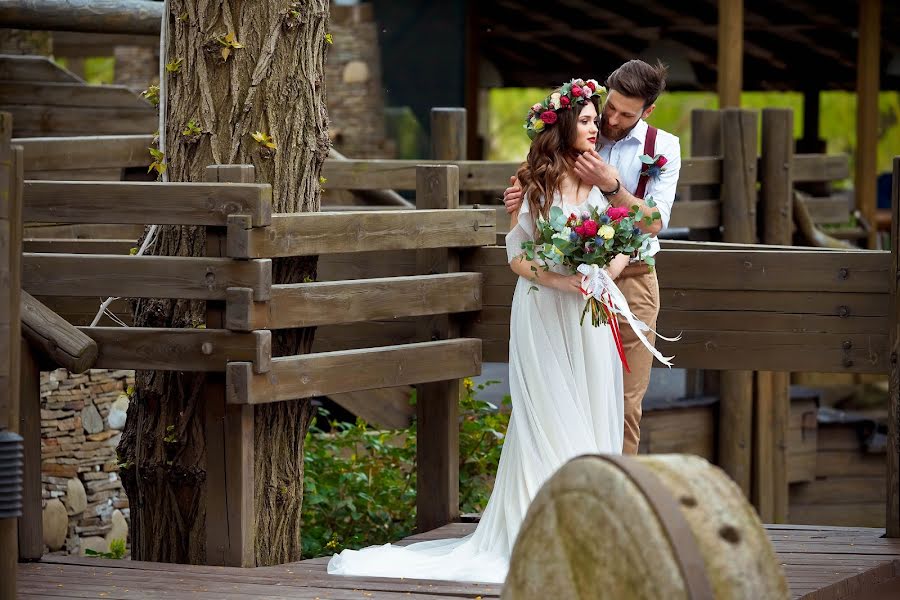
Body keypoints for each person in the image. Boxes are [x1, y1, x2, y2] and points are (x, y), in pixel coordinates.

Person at [327, 78, 628, 584]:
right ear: (563, 126)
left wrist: (602, 276)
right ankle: (546, 534)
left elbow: (626, 241)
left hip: (588, 314)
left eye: (597, 120)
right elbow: (517, 258)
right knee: (550, 418)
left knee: (594, 410)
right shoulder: (535, 184)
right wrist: (565, 281)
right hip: (544, 311)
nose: (596, 127)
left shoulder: (600, 181)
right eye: (587, 119)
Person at [503, 59, 681, 455]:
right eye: (609, 108)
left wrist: (613, 186)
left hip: (632, 278)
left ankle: (614, 500)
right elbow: (534, 193)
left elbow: (654, 222)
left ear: (647, 111)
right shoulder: (580, 126)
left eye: (626, 114)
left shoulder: (663, 148)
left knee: (622, 403)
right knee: (571, 396)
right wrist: (517, 200)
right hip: (564, 288)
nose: (612, 119)